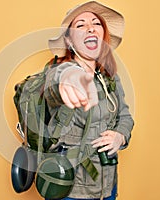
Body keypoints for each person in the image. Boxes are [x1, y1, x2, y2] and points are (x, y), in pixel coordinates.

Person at [42, 1, 134, 199]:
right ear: (69, 41)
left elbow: (125, 116)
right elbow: (54, 86)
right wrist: (67, 79)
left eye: (96, 23)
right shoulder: (57, 70)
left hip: (108, 187)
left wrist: (121, 136)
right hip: (69, 189)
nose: (90, 27)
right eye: (80, 25)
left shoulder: (109, 76)